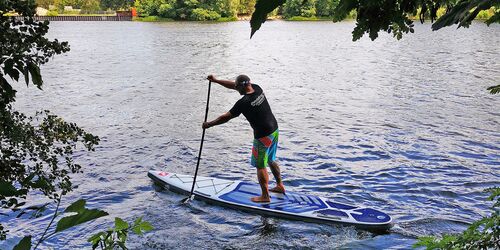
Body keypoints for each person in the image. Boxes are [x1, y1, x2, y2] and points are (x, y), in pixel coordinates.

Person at [202, 74, 285, 203]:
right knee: (270, 159)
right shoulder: (257, 88)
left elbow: (225, 117)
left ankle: (265, 196)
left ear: (241, 86)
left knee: (260, 165)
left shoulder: (243, 103)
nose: (235, 89)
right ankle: (280, 186)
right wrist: (216, 81)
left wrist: (209, 124)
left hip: (263, 136)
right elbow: (233, 85)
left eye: (236, 87)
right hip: (274, 130)